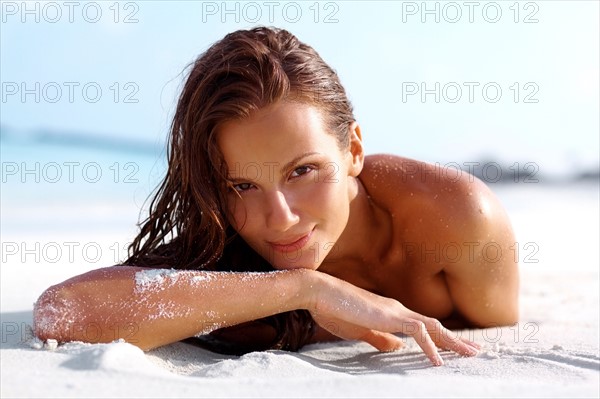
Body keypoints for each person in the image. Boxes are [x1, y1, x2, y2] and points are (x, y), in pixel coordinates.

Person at [33, 26, 519, 367]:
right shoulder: (230, 255)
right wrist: (305, 290)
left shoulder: (456, 217)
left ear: (352, 149)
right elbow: (62, 311)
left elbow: (497, 325)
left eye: (303, 170)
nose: (280, 219)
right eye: (242, 185)